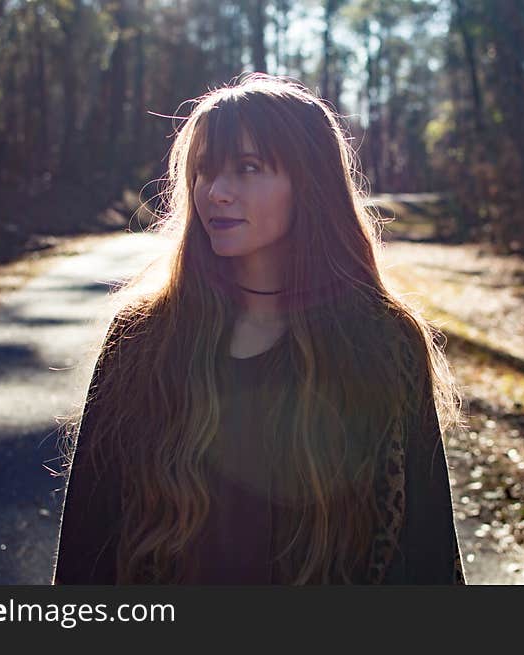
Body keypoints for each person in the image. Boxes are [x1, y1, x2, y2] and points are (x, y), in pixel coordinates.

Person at [51, 73, 467, 585]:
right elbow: (86, 545)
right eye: (204, 171)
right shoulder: (142, 341)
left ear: (310, 184)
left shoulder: (383, 342)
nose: (216, 192)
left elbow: (426, 550)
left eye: (248, 168)